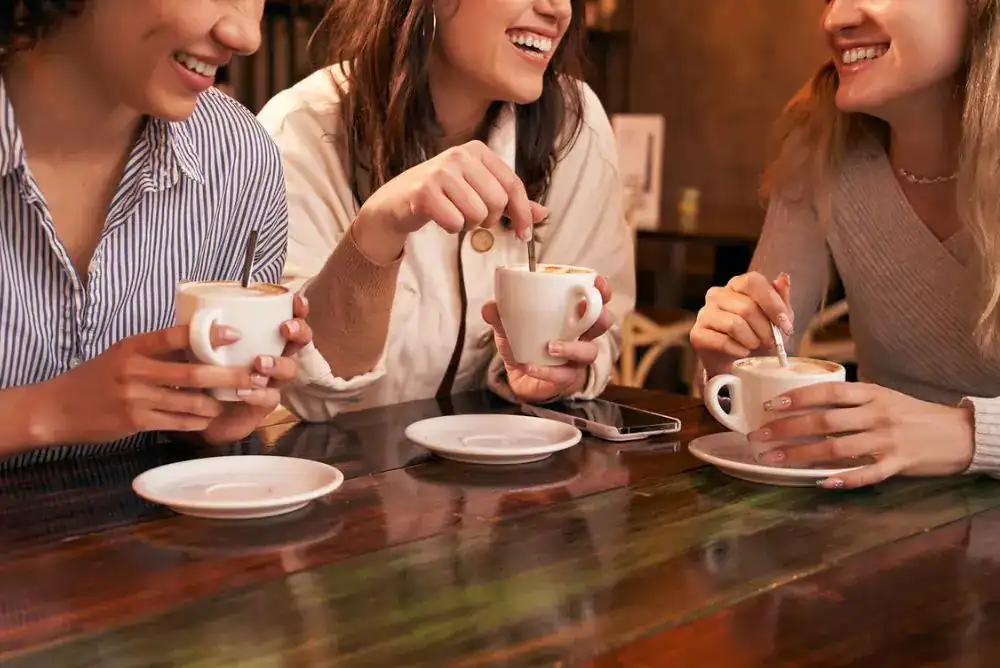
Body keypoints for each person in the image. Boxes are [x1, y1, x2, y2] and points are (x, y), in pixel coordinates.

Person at [257, 0, 635, 420]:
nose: (558, 9)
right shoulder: (300, 130)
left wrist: (555, 373)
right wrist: (380, 228)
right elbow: (310, 387)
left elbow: (599, 323)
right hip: (328, 458)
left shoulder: (573, 122)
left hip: (508, 454)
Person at [690, 0, 1000, 488]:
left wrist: (966, 434)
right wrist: (739, 363)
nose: (834, 20)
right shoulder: (821, 144)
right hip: (887, 512)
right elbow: (758, 387)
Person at [0, 0, 311, 465]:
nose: (248, 37)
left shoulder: (238, 157)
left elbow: (192, 442)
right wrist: (51, 409)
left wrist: (204, 416)